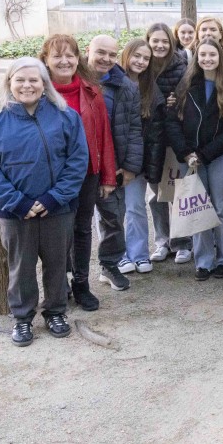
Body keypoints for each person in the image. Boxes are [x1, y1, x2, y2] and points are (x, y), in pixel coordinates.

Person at [0, 58, 89, 346]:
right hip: (16, 212)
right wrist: (17, 202)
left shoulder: (66, 116)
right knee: (21, 266)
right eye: (20, 80)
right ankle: (23, 318)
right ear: (9, 84)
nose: (27, 85)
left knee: (56, 263)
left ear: (44, 84)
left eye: (34, 80)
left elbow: (78, 161)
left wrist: (53, 198)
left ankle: (55, 311)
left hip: (58, 208)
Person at [40, 35, 116, 312]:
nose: (65, 61)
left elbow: (104, 134)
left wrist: (108, 176)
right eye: (58, 56)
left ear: (78, 59)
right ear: (46, 60)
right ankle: (58, 285)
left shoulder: (91, 90)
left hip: (86, 175)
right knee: (56, 233)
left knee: (82, 229)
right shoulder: (37, 92)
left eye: (70, 55)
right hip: (50, 178)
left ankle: (81, 284)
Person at [165, 38, 223, 281]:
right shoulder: (186, 85)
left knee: (221, 208)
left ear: (220, 57)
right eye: (203, 55)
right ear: (197, 58)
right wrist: (185, 152)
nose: (207, 59)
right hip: (191, 158)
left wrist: (206, 153)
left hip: (219, 155)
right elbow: (172, 121)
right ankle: (203, 262)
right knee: (198, 208)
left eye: (212, 55)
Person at [86, 35, 143, 292]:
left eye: (111, 54)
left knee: (113, 218)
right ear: (88, 50)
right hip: (81, 166)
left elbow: (134, 129)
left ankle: (110, 265)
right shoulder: (73, 81)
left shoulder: (126, 86)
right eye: (100, 52)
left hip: (114, 165)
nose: (106, 59)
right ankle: (71, 276)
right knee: (74, 223)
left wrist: (130, 166)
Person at [117, 39, 165, 275]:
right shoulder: (113, 82)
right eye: (136, 56)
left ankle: (138, 253)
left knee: (135, 206)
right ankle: (118, 256)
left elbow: (155, 131)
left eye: (146, 58)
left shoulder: (150, 88)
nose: (141, 61)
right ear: (126, 55)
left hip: (137, 160)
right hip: (112, 158)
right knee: (112, 211)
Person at [145, 24, 192, 264]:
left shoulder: (180, 65)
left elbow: (186, 100)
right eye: (155, 41)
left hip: (173, 137)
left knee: (177, 191)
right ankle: (162, 240)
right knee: (155, 194)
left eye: (164, 41)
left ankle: (183, 241)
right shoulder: (142, 65)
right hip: (151, 139)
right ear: (148, 41)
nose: (160, 45)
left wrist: (176, 102)